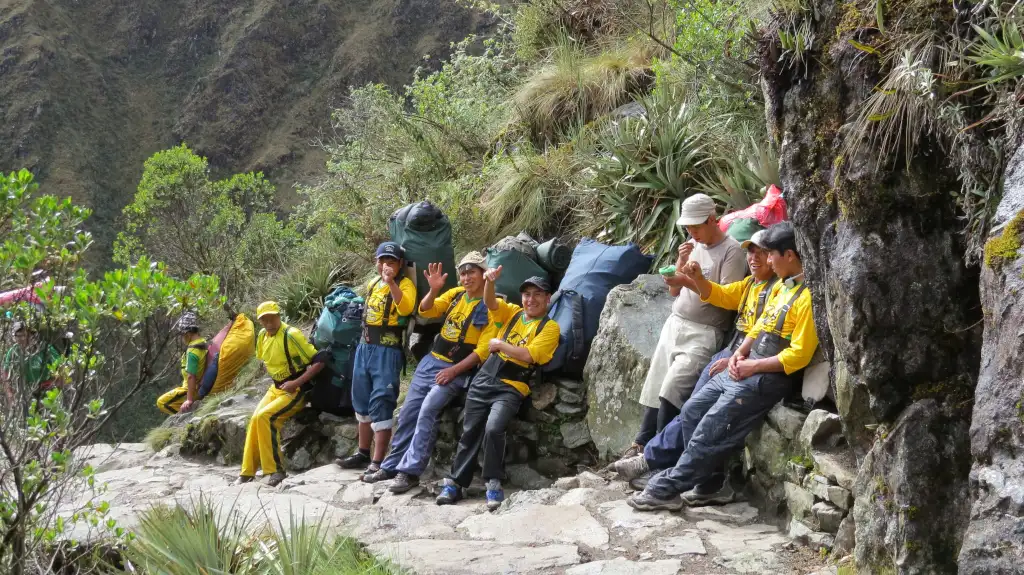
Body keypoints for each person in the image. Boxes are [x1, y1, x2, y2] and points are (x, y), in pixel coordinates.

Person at [627, 221, 819, 511]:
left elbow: (799, 355)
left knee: (712, 426)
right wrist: (738, 354)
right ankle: (709, 483)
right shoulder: (781, 286)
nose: (764, 260)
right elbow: (759, 327)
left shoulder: (808, 298)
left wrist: (752, 367)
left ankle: (666, 487)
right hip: (745, 364)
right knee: (692, 410)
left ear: (789, 255)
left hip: (768, 377)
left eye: (770, 254)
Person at [613, 230, 780, 496]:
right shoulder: (751, 285)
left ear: (775, 257)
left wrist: (735, 358)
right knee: (691, 408)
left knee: (698, 410)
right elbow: (720, 294)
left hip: (745, 360)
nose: (754, 258)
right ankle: (662, 462)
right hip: (731, 352)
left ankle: (665, 465)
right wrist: (696, 279)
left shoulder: (779, 291)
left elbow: (766, 334)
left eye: (762, 252)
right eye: (751, 252)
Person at [618, 193, 748, 461]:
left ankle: (658, 456)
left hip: (704, 330)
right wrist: (678, 265)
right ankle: (642, 443)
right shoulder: (692, 243)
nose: (692, 232)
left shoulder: (732, 251)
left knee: (674, 388)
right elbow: (675, 290)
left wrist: (693, 280)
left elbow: (726, 300)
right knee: (657, 384)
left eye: (696, 226)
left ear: (713, 220)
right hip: (675, 323)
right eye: (688, 228)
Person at [361, 252, 497, 493]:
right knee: (407, 412)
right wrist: (433, 290)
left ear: (484, 275)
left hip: (457, 370)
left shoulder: (491, 307)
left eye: (472, 272)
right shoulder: (456, 295)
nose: (466, 278)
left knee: (428, 408)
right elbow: (426, 310)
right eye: (463, 273)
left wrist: (453, 372)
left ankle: (410, 472)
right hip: (431, 361)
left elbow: (481, 352)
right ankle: (391, 466)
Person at [436, 270, 560, 511]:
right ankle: (456, 483)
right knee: (470, 430)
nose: (530, 300)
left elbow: (530, 355)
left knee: (494, 427)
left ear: (548, 299)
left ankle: (493, 481)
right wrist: (489, 283)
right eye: (526, 295)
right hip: (485, 378)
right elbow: (490, 303)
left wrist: (501, 344)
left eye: (537, 295)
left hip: (512, 386)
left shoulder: (550, 327)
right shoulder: (513, 313)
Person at [337, 242, 417, 474]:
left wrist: (391, 282)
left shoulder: (405, 285)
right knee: (361, 399)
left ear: (400, 264)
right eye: (381, 261)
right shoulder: (373, 283)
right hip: (364, 347)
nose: (385, 266)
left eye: (390, 262)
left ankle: (378, 460)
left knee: (382, 399)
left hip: (387, 350)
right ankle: (362, 453)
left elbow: (405, 309)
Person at [236, 301, 325, 487]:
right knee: (255, 419)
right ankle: (247, 472)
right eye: (264, 319)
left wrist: (296, 382)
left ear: (279, 316)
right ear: (260, 322)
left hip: (297, 389)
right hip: (276, 388)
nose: (269, 322)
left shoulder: (291, 335)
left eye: (272, 317)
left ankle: (276, 470)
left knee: (266, 417)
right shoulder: (262, 336)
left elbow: (319, 360)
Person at [156, 312, 208, 415]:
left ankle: (182, 418)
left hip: (191, 390)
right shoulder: (202, 342)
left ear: (188, 333)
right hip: (195, 388)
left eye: (182, 334)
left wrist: (189, 399)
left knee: (162, 402)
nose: (182, 337)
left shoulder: (193, 352)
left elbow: (191, 377)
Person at [2, 321, 61, 409]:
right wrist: (11, 397)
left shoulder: (45, 349)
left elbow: (61, 368)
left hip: (47, 392)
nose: (23, 339)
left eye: (25, 335)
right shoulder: (13, 352)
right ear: (14, 337)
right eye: (19, 335)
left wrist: (54, 389)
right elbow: (5, 375)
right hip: (26, 395)